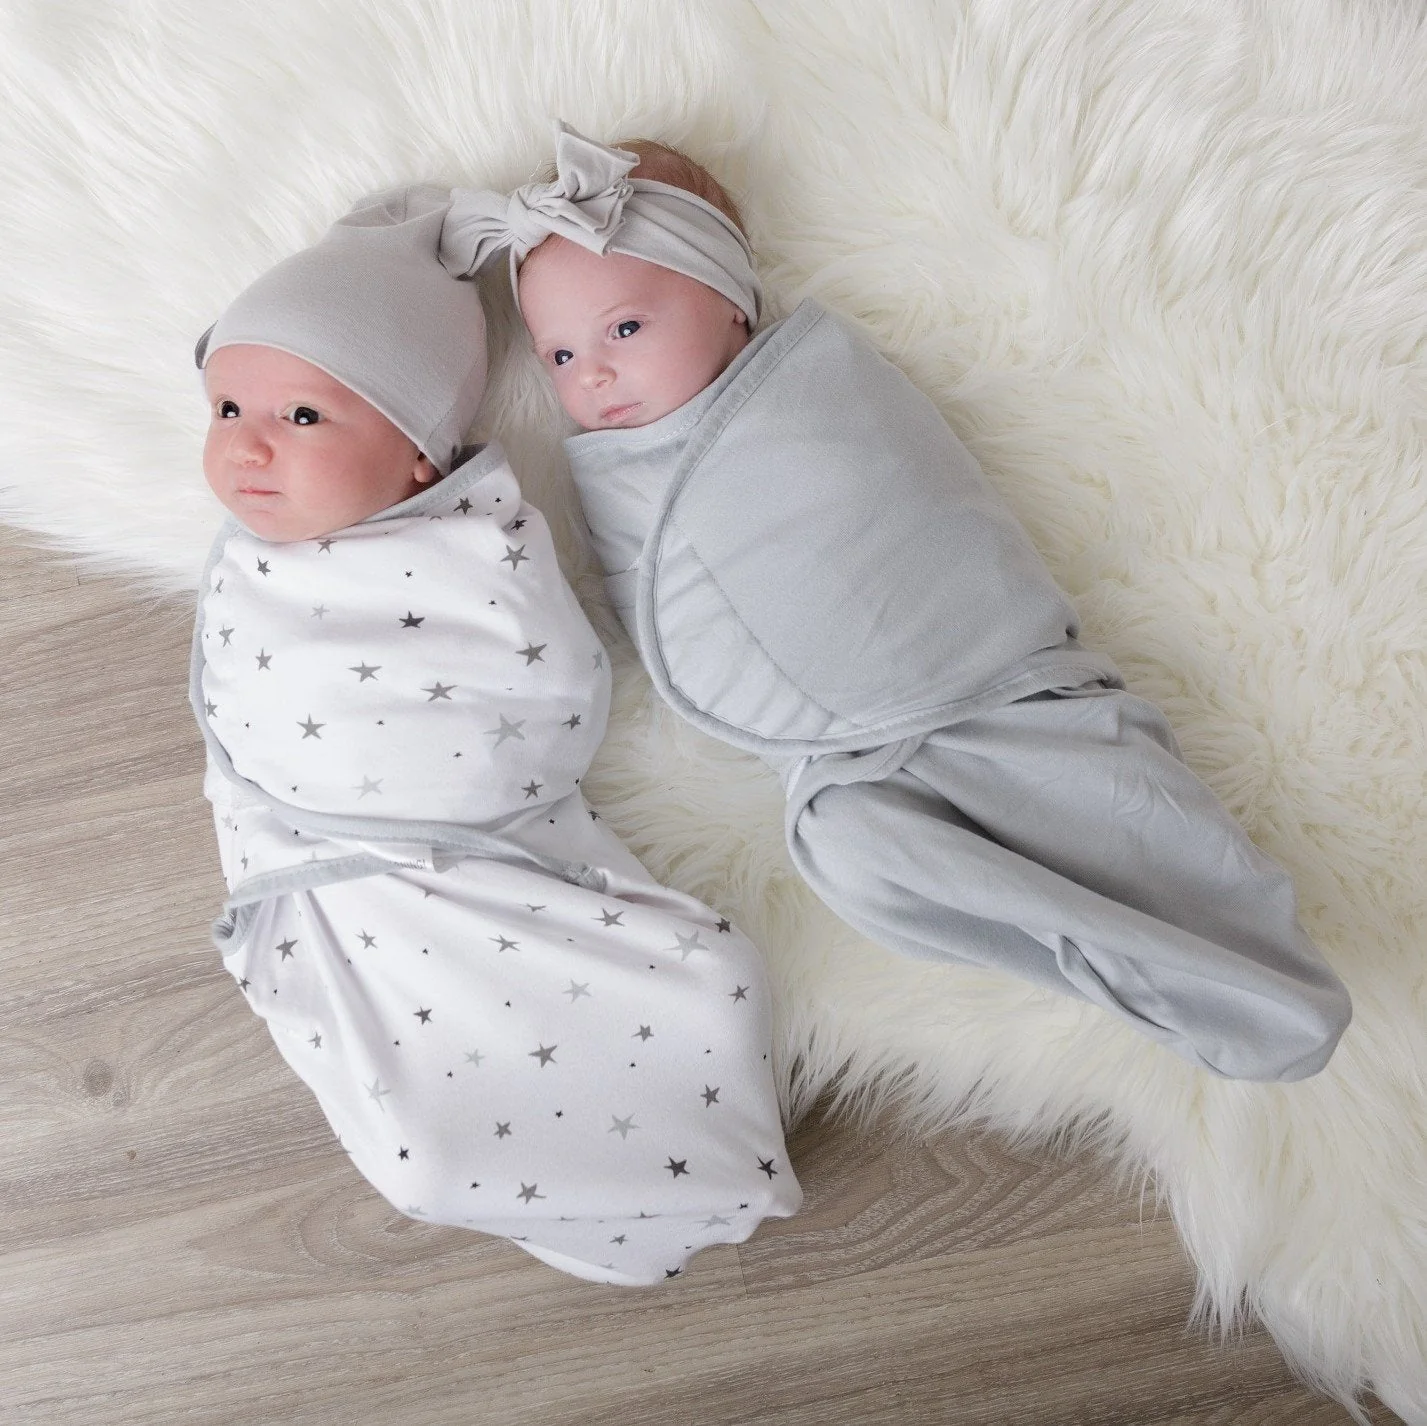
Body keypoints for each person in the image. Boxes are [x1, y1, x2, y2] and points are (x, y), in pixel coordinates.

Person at [438, 123, 1353, 1082]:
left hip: (985, 680)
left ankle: (1258, 979)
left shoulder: (819, 395)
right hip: (845, 767)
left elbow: (908, 503)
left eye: (624, 329)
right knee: (851, 858)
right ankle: (1126, 964)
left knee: (1123, 813)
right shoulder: (615, 473)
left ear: (730, 302)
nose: (592, 375)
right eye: (558, 356)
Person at [189, 185, 801, 1286]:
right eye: (228, 408)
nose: (247, 449)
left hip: (486, 855)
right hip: (347, 889)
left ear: (418, 457)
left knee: (706, 986)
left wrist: (454, 780)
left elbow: (554, 689)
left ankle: (691, 1160)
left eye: (302, 417)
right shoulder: (254, 570)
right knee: (427, 1144)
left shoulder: (479, 553)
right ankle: (523, 1169)